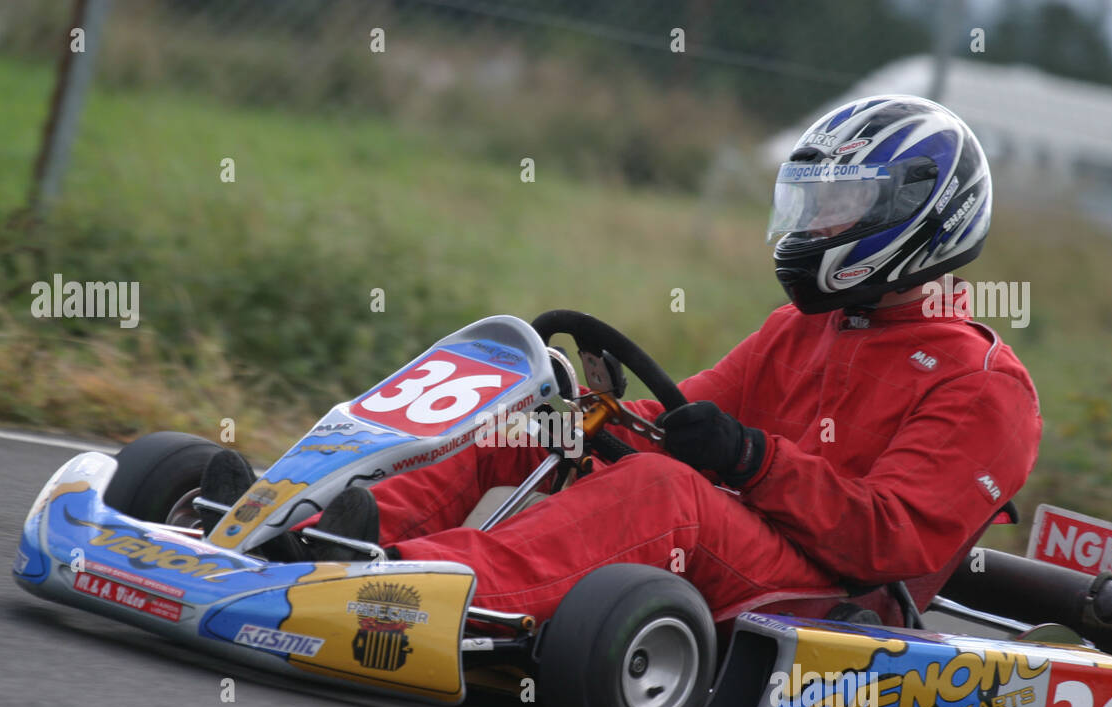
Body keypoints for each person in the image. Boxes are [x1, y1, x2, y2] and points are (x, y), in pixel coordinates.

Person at [206, 94, 1042, 624]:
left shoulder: (984, 385)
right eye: (814, 209)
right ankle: (312, 526)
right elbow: (682, 419)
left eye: (843, 209)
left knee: (662, 491)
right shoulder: (800, 328)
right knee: (542, 423)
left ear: (923, 218)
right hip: (748, 537)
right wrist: (588, 416)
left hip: (830, 598)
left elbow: (886, 542)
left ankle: (395, 586)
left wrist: (754, 460)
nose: (816, 230)